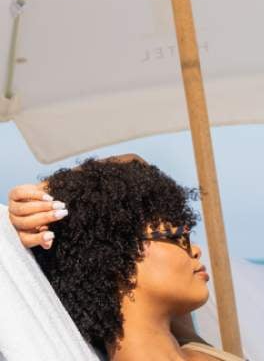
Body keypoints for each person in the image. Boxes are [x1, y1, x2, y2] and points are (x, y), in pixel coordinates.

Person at [6, 154, 246, 361]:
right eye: (176, 238)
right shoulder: (186, 341)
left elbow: (135, 163)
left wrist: (46, 197)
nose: (195, 250)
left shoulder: (184, 342)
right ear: (113, 259)